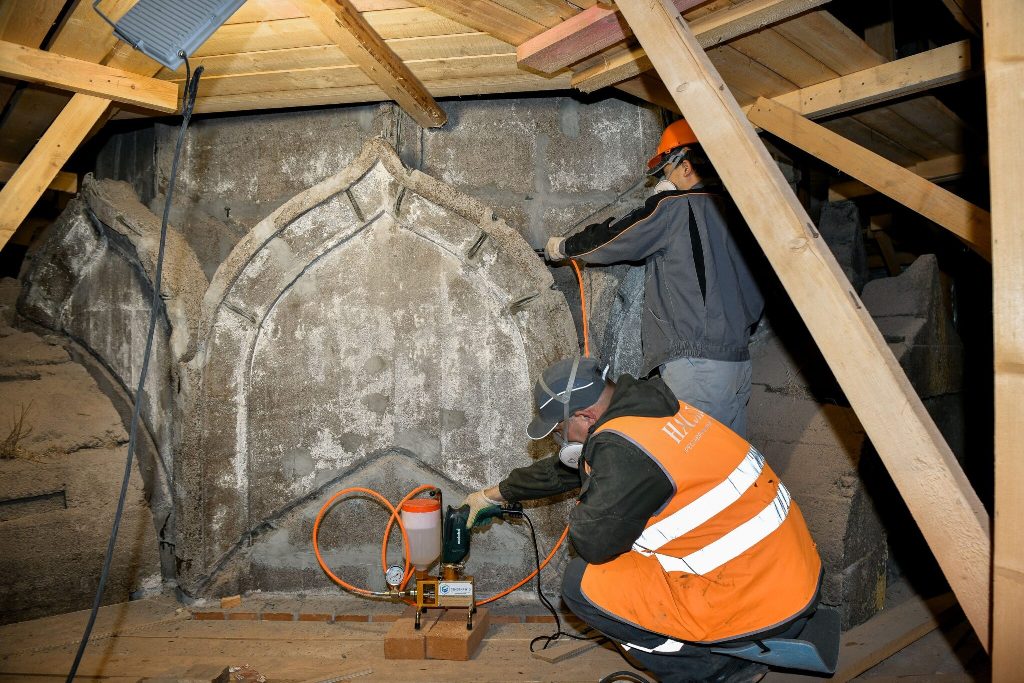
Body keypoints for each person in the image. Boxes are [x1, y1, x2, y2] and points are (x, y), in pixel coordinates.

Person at [463, 357, 821, 683]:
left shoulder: (623, 451)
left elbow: (593, 542)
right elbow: (571, 468)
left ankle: (714, 672)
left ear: (585, 416)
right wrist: (495, 494)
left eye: (559, 429)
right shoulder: (651, 409)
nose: (560, 439)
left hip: (759, 603)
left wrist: (590, 492)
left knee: (582, 584)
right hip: (792, 578)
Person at [545, 119, 763, 437]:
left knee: (691, 457)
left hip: (696, 366)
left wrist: (563, 247)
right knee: (729, 457)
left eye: (666, 171)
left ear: (686, 165)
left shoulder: (676, 207)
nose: (664, 179)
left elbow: (611, 239)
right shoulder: (744, 212)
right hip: (737, 360)